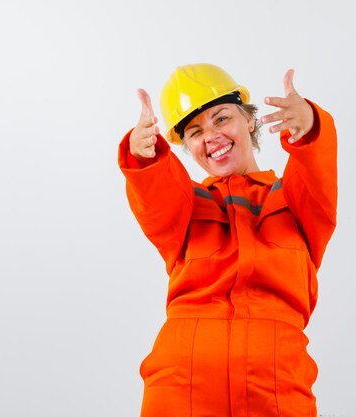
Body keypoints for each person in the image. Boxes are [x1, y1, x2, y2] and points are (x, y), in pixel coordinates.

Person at [118, 63, 337, 417]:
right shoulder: (186, 209)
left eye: (221, 119)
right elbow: (156, 194)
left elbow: (315, 167)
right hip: (181, 386)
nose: (211, 136)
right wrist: (144, 156)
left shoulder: (295, 201)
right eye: (194, 131)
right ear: (186, 146)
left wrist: (309, 125)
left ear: (248, 119)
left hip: (277, 386)